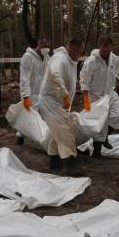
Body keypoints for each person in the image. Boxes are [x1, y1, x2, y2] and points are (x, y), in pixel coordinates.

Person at [79, 35, 119, 157]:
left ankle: (105, 138)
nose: (107, 52)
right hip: (95, 96)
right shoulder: (91, 61)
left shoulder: (114, 59)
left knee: (118, 117)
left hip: (110, 94)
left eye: (109, 50)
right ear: (100, 47)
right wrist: (86, 99)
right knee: (100, 123)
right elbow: (84, 80)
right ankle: (97, 152)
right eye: (104, 50)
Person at [38, 38, 84, 175]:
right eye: (79, 52)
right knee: (65, 130)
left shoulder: (68, 60)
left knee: (55, 133)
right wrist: (64, 94)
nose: (80, 55)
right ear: (73, 48)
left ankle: (55, 163)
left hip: (56, 101)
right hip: (51, 101)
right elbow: (55, 73)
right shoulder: (60, 58)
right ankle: (70, 167)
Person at [17, 36, 50, 145]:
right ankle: (20, 138)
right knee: (28, 118)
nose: (46, 48)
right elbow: (24, 79)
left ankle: (43, 141)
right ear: (38, 44)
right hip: (30, 95)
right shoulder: (28, 57)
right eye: (44, 46)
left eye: (47, 46)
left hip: (42, 95)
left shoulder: (46, 58)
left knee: (42, 120)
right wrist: (25, 96)